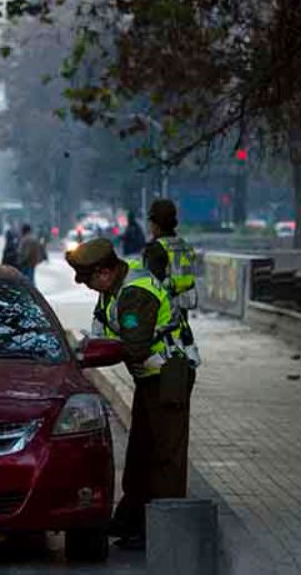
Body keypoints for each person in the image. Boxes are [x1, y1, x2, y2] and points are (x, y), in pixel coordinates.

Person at [66, 238, 194, 550]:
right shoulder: (114, 288)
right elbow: (104, 333)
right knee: (140, 452)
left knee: (166, 455)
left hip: (168, 377)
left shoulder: (135, 294)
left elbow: (133, 348)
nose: (87, 287)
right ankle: (132, 520)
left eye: (89, 279)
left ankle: (165, 532)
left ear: (106, 271)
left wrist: (89, 357)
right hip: (150, 379)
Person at [143, 199, 200, 365]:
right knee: (181, 347)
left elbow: (150, 285)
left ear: (155, 223)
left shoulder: (156, 248)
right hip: (183, 306)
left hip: (163, 311)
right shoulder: (184, 245)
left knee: (163, 357)